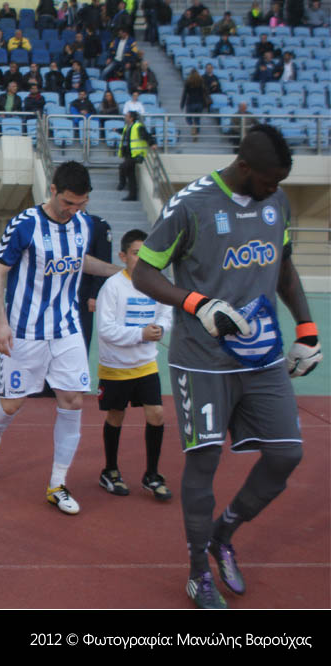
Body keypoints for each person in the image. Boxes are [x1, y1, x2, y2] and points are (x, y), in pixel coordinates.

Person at [131, 124, 321, 609]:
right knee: (204, 463)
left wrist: (306, 329)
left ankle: (223, 535)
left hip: (263, 357)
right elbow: (143, 272)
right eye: (269, 180)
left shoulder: (277, 202)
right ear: (244, 167)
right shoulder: (190, 205)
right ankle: (198, 572)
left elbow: (283, 266)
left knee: (286, 455)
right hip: (202, 362)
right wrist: (196, 303)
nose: (274, 190)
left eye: (280, 182)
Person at [0, 161, 120, 514]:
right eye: (68, 202)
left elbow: (79, 260)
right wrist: (0, 323)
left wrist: (119, 271)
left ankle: (57, 484)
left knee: (72, 401)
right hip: (24, 331)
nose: (74, 210)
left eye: (81, 204)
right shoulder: (24, 224)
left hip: (67, 328)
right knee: (12, 404)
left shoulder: (84, 223)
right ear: (52, 190)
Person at [96, 228, 172, 498]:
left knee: (157, 414)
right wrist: (140, 334)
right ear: (123, 256)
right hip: (116, 366)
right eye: (137, 253)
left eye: (147, 253)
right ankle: (110, 471)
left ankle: (152, 474)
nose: (142, 258)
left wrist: (161, 328)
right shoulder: (113, 286)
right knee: (116, 416)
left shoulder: (157, 282)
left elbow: (166, 312)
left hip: (146, 364)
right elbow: (105, 329)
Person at [78, 212, 113, 355]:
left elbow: (104, 260)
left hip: (83, 294)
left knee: (81, 339)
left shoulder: (97, 225)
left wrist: (95, 294)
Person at [118, 111, 156, 201]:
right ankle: (132, 195)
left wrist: (152, 143)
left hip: (136, 154)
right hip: (128, 154)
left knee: (123, 167)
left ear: (131, 118)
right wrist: (116, 130)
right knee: (131, 175)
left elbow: (146, 135)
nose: (125, 117)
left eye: (127, 116)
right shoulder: (127, 127)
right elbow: (125, 133)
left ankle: (122, 184)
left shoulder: (138, 126)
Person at [180, 69, 208, 139]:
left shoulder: (188, 82)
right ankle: (196, 132)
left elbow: (185, 94)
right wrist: (205, 104)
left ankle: (193, 126)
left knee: (188, 118)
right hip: (199, 103)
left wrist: (182, 104)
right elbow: (204, 93)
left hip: (190, 102)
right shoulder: (201, 81)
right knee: (197, 119)